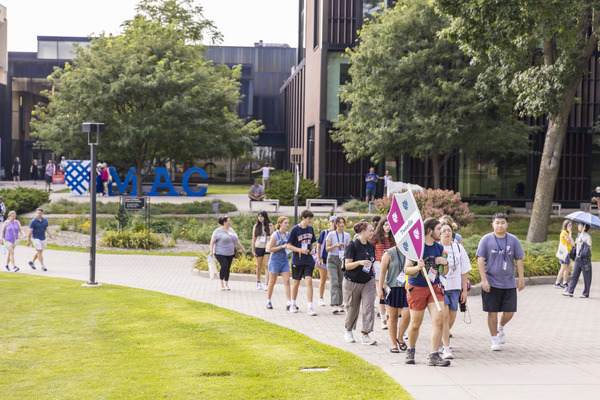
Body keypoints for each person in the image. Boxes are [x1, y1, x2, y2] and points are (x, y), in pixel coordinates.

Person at [403, 218, 450, 366]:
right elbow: (406, 269)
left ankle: (434, 355)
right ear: (429, 230)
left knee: (439, 320)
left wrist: (445, 263)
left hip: (435, 287)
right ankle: (411, 350)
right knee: (416, 323)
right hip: (417, 288)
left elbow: (445, 272)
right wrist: (417, 267)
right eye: (438, 229)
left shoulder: (439, 247)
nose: (441, 232)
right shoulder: (416, 248)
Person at [476, 212, 525, 352]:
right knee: (492, 312)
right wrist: (484, 280)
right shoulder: (486, 240)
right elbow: (480, 260)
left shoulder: (513, 240)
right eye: (497, 222)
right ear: (493, 224)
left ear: (507, 224)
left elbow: (519, 259)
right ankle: (494, 339)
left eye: (502, 222)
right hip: (491, 283)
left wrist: (521, 279)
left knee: (509, 312)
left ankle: (500, 327)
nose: (500, 225)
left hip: (508, 283)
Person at [439, 220, 471, 360]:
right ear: (439, 234)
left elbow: (464, 270)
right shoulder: (436, 247)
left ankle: (441, 337)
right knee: (445, 317)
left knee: (451, 318)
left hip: (455, 287)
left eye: (449, 230)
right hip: (441, 287)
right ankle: (446, 348)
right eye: (444, 230)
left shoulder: (458, 248)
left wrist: (464, 291)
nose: (447, 233)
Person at [343, 220, 377, 345]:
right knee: (353, 308)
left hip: (368, 280)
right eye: (371, 231)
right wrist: (359, 262)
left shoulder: (371, 246)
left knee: (368, 306)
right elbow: (347, 266)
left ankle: (366, 334)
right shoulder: (352, 245)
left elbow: (372, 262)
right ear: (363, 232)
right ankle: (348, 331)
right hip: (352, 281)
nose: (373, 233)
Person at [379, 243, 411, 353]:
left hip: (406, 288)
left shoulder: (411, 252)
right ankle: (393, 344)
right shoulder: (389, 253)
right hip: (392, 288)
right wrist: (380, 289)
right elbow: (382, 272)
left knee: (407, 315)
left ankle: (400, 337)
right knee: (392, 317)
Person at [286, 210, 317, 316]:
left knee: (309, 281)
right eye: (309, 218)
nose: (310, 220)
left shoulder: (310, 228)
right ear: (303, 218)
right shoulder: (295, 229)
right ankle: (293, 304)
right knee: (296, 282)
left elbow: (312, 243)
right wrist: (299, 250)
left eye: (311, 218)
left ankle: (310, 307)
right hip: (297, 260)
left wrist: (313, 250)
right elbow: (288, 245)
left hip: (308, 260)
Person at [209, 216, 247, 290]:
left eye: (230, 221)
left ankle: (226, 283)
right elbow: (212, 241)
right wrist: (211, 251)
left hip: (230, 253)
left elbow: (236, 240)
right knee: (224, 265)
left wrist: (242, 248)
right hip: (220, 252)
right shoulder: (218, 231)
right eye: (228, 221)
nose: (230, 222)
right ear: (224, 222)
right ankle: (221, 283)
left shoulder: (231, 230)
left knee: (228, 268)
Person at [373, 217, 396, 329]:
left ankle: (388, 314)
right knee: (380, 291)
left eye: (390, 225)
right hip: (378, 264)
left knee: (389, 291)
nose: (388, 227)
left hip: (391, 266)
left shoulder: (393, 238)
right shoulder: (376, 237)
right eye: (386, 225)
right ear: (381, 226)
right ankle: (383, 319)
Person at [265, 216, 292, 310]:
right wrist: (281, 247)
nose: (287, 225)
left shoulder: (288, 235)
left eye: (288, 223)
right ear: (280, 224)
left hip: (284, 259)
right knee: (272, 282)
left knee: (287, 281)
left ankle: (289, 302)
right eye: (285, 223)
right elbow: (270, 249)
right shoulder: (275, 235)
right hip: (275, 260)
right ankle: (268, 300)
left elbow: (291, 245)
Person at [325, 216, 351, 314]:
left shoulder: (347, 235)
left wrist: (346, 247)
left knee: (341, 282)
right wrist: (335, 245)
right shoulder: (331, 234)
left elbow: (349, 248)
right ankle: (335, 304)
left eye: (343, 223)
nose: (341, 225)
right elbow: (327, 249)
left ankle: (340, 304)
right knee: (334, 281)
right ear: (336, 224)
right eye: (339, 223)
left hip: (342, 259)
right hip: (332, 259)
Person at [563, 223, 592, 298]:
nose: (578, 226)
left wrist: (582, 243)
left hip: (585, 260)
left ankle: (585, 293)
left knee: (587, 278)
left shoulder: (588, 237)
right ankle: (570, 291)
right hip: (578, 258)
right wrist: (572, 240)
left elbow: (589, 250)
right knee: (574, 276)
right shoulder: (579, 235)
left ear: (584, 227)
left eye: (580, 225)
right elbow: (575, 245)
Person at [316, 216, 336, 307]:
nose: (334, 223)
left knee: (334, 280)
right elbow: (318, 246)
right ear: (330, 222)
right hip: (324, 259)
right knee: (323, 279)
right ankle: (321, 298)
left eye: (336, 222)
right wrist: (318, 258)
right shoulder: (324, 233)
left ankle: (335, 300)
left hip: (334, 260)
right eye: (332, 221)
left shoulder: (338, 234)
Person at [251, 211, 273, 290]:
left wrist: (269, 238)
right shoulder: (256, 226)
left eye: (262, 217)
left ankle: (266, 283)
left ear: (265, 217)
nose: (260, 218)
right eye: (259, 216)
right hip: (259, 247)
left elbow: (273, 238)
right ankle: (258, 282)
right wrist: (253, 250)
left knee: (267, 265)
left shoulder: (270, 226)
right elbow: (253, 239)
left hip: (267, 247)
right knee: (259, 265)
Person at [554, 220, 575, 288]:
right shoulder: (564, 232)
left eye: (571, 225)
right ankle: (557, 282)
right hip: (564, 253)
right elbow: (568, 240)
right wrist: (570, 233)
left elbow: (572, 243)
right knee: (563, 267)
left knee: (568, 267)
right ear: (566, 226)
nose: (570, 226)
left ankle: (564, 282)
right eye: (569, 225)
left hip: (567, 252)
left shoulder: (567, 233)